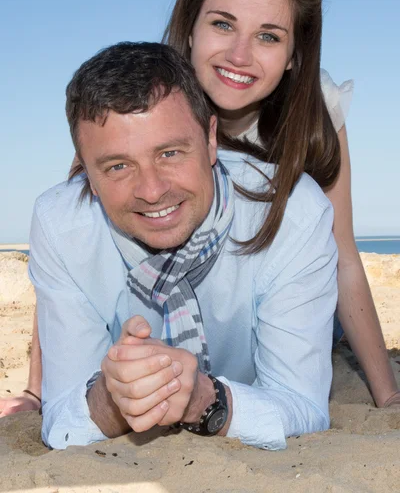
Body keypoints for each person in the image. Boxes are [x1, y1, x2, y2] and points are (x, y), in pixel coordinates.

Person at [1, 0, 398, 418]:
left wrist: (385, 392)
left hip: (283, 287)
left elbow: (343, 253)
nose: (239, 55)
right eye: (222, 25)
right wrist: (40, 393)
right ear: (190, 28)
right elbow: (75, 256)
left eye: (269, 36)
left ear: (295, 56)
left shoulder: (313, 114)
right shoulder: (154, 101)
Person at [29, 41, 337, 450]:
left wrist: (203, 400)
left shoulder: (292, 212)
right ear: (86, 171)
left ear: (211, 139)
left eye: (170, 153)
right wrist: (109, 400)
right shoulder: (60, 226)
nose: (152, 190)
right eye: (118, 166)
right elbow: (61, 417)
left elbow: (305, 406)